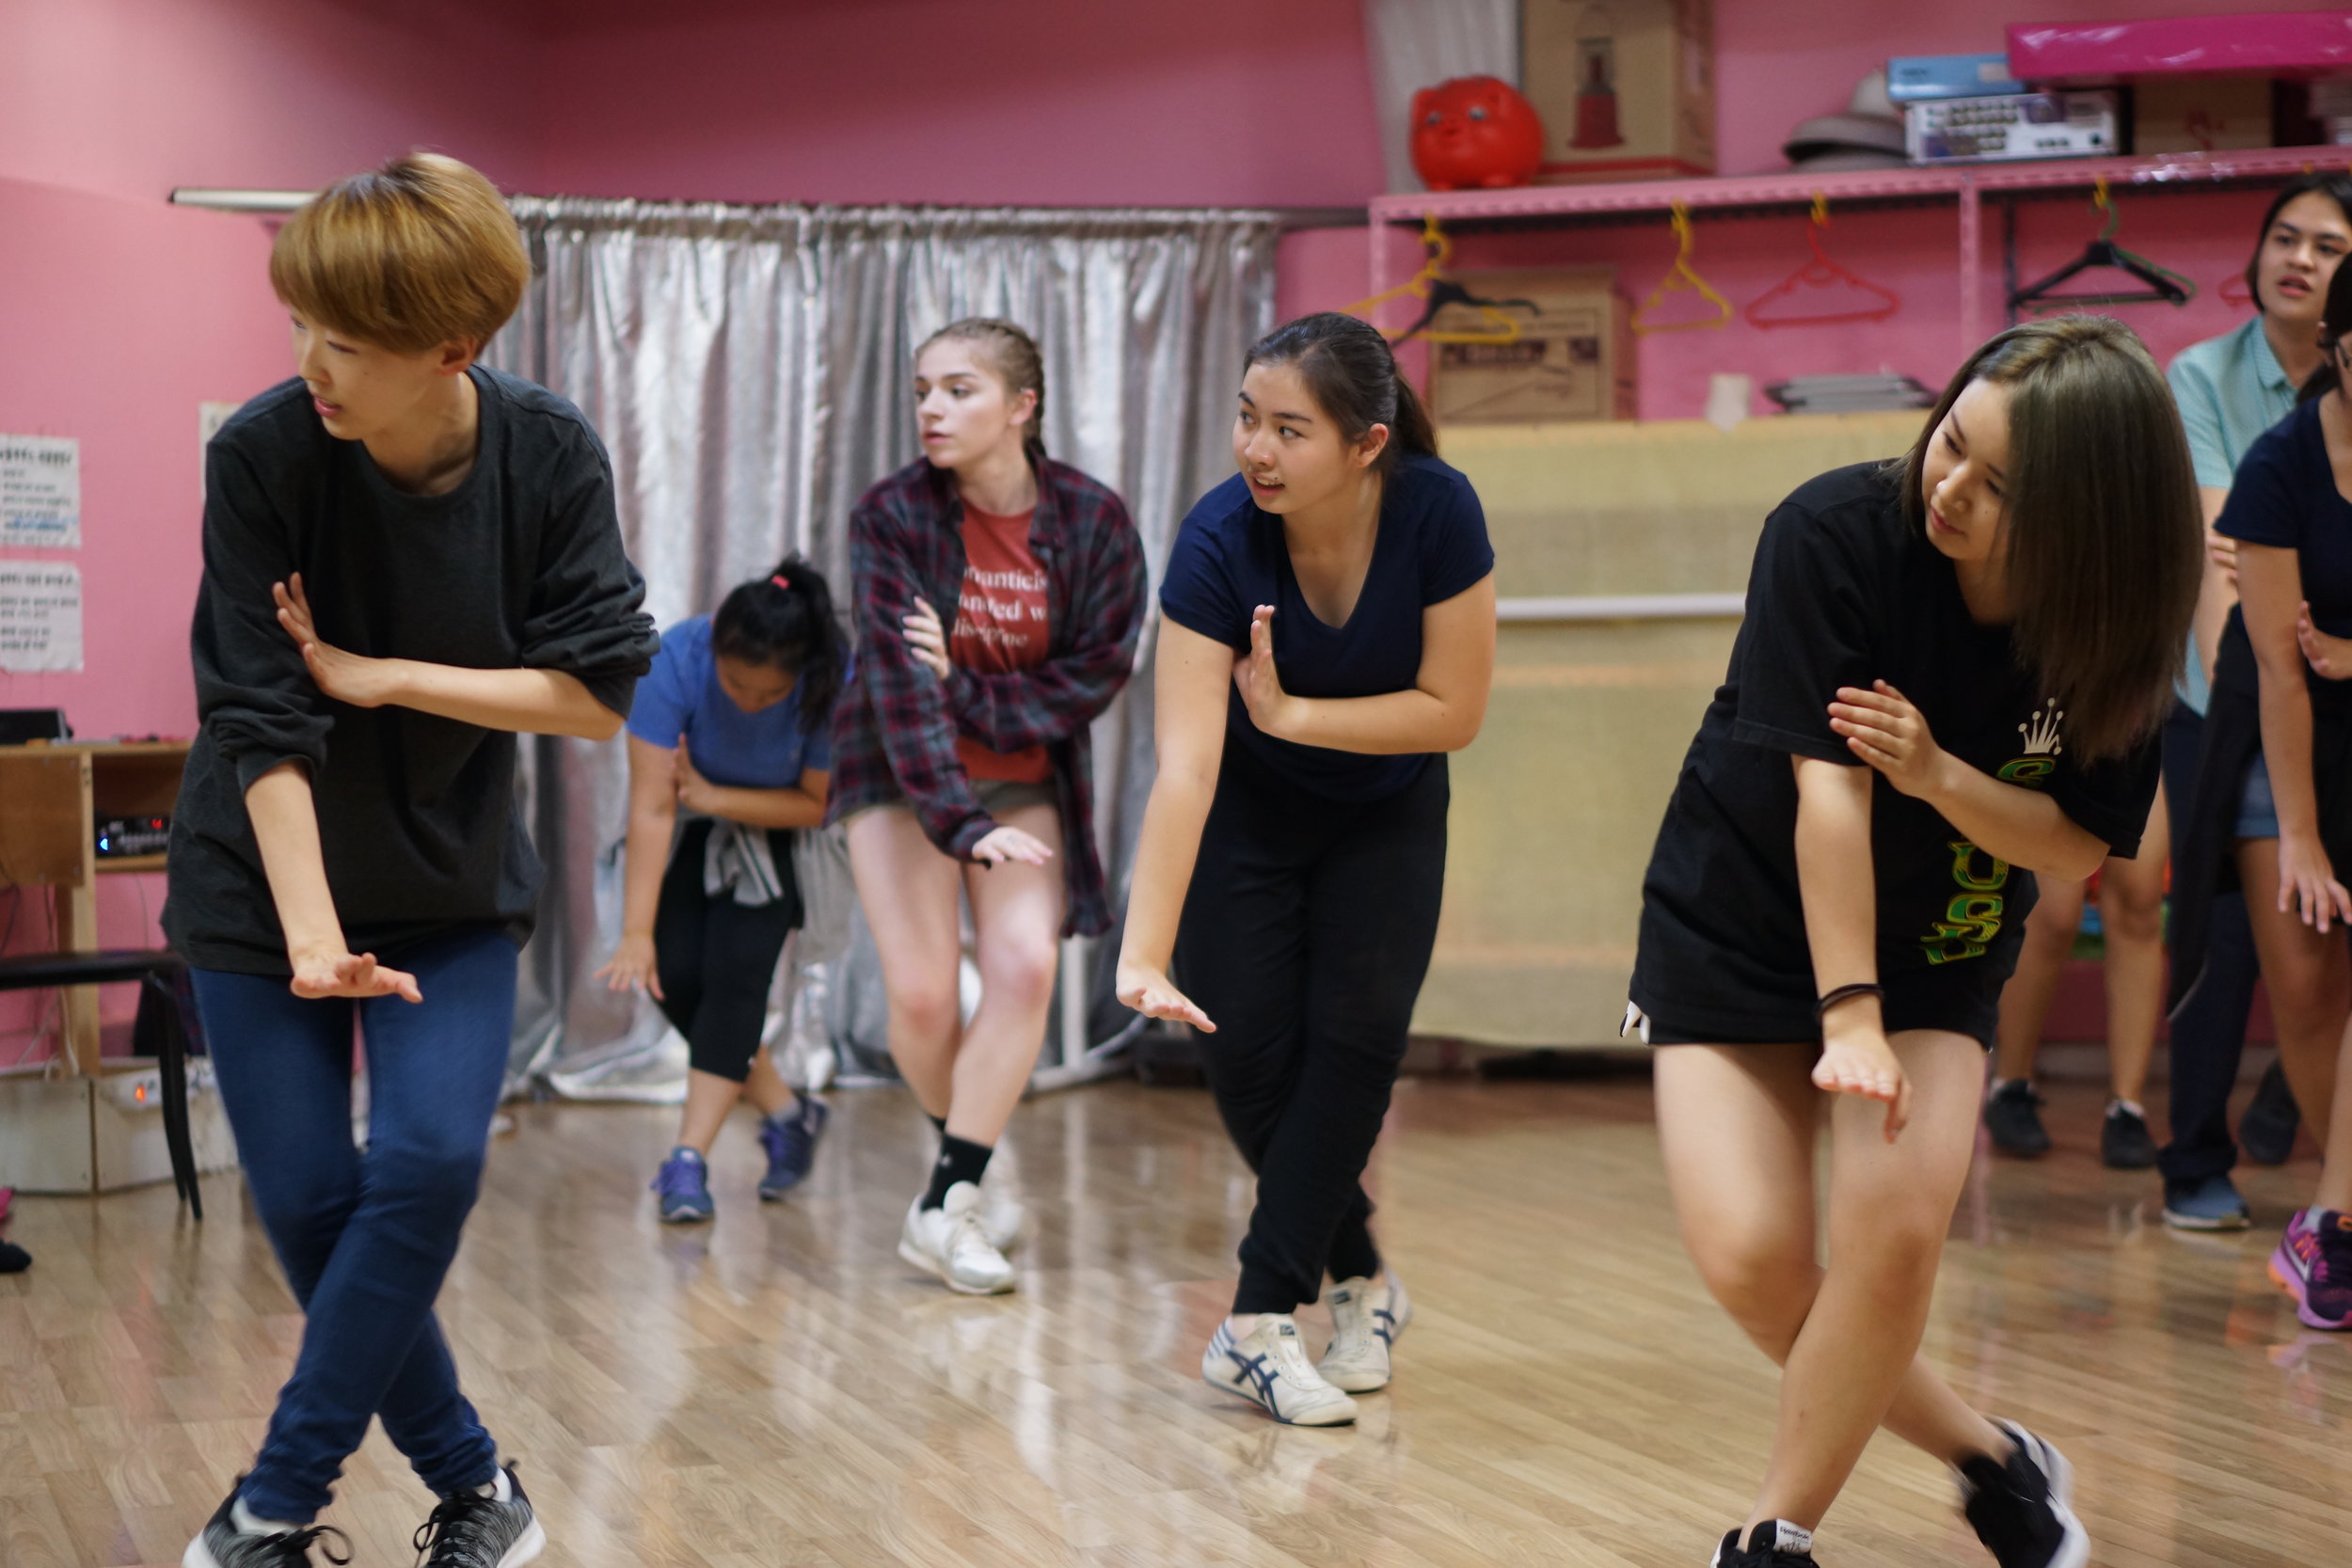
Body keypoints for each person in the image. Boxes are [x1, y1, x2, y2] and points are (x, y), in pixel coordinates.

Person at [1625, 316, 2200, 1566]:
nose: (1948, 487)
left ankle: (1773, 1536)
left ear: (2083, 523)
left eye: (1997, 485)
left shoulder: (2112, 642)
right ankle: (1995, 1456)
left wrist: (1939, 773)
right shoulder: (1832, 533)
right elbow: (1828, 795)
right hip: (1740, 912)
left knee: (1891, 1234)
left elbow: (2066, 845)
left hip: (1939, 946)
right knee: (1759, 1263)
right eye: (1951, 444)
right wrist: (1845, 1014)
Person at [165, 154, 657, 1568]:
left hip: (447, 885)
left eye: (353, 340)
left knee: (431, 1160)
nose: (314, 362)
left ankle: (267, 1505)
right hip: (265, 887)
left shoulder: (547, 453)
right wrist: (313, 936)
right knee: (315, 1198)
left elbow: (601, 687)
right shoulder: (261, 455)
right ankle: (476, 1482)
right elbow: (259, 718)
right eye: (302, 321)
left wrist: (382, 676)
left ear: (456, 347)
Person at [1118, 312, 1496, 1427]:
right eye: (1246, 418)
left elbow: (1453, 712)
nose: (1256, 449)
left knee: (1357, 1043)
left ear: (1367, 442)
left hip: (1386, 808)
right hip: (1247, 816)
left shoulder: (1437, 508)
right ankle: (1364, 1281)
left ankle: (1253, 1322)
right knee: (1250, 1070)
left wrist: (1291, 712)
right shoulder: (1214, 541)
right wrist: (1143, 948)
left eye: (1290, 428)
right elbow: (1185, 766)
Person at [827, 318, 1146, 1294]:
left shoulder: (1092, 519)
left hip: (1023, 775)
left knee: (1022, 967)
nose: (930, 407)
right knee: (921, 998)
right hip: (896, 770)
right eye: (923, 388)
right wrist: (962, 824)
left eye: (958, 389)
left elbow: (1095, 673)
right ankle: (971, 1163)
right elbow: (898, 688)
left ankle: (946, 1198)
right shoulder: (892, 515)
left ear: (1021, 405)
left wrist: (968, 688)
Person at [2151, 175, 2352, 1228]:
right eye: (2285, 237)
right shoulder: (2206, 375)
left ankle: (2327, 1188)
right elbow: (2220, 554)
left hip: (2334, 692)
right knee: (2227, 942)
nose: (2299, 258)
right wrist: (2238, 690)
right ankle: (2193, 1160)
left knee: (2316, 967)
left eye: (2326, 246)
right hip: (2225, 690)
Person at [596, 560, 846, 1223]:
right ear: (714, 650)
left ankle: (687, 1159)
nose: (750, 701)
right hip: (685, 827)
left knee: (735, 976)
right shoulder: (674, 658)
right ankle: (791, 1113)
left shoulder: (830, 679)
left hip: (779, 830)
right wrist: (636, 933)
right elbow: (653, 807)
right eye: (736, 685)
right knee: (675, 977)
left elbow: (816, 804)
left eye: (769, 696)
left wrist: (717, 793)